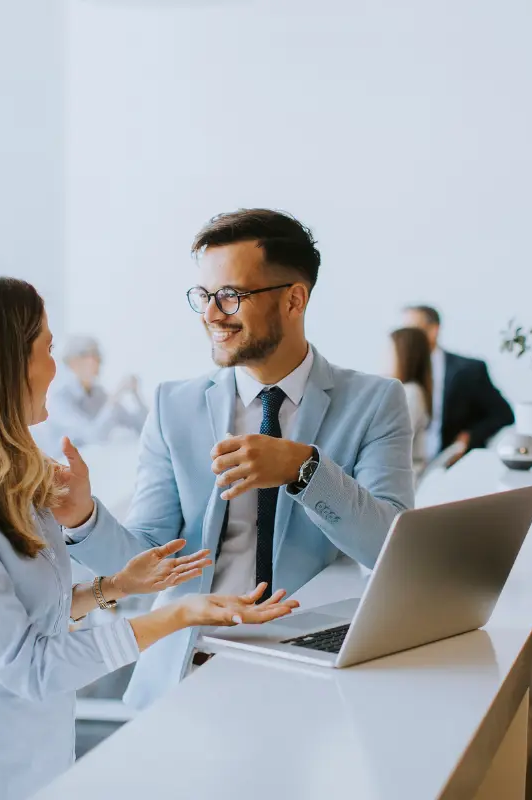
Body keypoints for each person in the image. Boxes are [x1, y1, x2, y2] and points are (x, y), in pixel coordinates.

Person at [0, 273, 299, 800]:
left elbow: (31, 616)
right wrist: (178, 614)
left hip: (38, 762)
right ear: (2, 363)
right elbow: (31, 666)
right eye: (47, 348)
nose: (57, 368)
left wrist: (116, 586)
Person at [54, 209, 416, 709]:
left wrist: (304, 470)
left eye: (231, 296)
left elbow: (391, 549)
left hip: (308, 670)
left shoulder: (374, 402)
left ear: (295, 298)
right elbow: (145, 556)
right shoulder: (171, 406)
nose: (211, 313)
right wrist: (83, 519)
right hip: (186, 668)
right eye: (203, 296)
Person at [401, 304, 514, 466]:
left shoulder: (469, 370)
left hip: (449, 464)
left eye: (413, 332)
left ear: (433, 330)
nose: (406, 340)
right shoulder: (400, 373)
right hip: (407, 464)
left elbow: (504, 414)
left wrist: (469, 437)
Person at [37, 335, 147, 456]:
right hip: (59, 468)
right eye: (93, 354)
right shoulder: (59, 399)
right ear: (74, 361)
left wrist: (136, 395)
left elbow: (143, 427)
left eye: (98, 354)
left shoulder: (98, 394)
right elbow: (93, 436)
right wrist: (115, 397)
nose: (99, 360)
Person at [390, 327, 433, 475]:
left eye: (389, 351)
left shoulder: (410, 393)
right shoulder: (408, 391)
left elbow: (392, 444)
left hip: (405, 481)